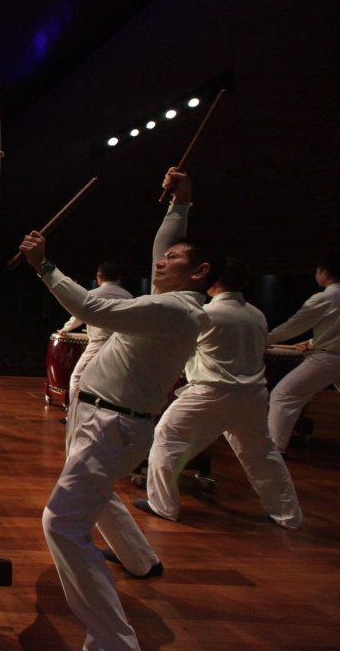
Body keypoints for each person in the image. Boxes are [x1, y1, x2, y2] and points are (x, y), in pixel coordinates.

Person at [18, 167, 222, 651]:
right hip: (105, 418)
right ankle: (139, 560)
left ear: (199, 273)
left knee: (62, 524)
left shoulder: (177, 310)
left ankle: (114, 641)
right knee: (100, 497)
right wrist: (181, 205)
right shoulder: (170, 301)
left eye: (173, 259)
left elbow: (93, 309)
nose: (161, 261)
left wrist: (45, 267)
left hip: (113, 424)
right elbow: (164, 244)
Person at [139, 254, 302, 529]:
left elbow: (180, 347)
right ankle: (288, 515)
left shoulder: (208, 314)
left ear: (213, 280)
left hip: (210, 393)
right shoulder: (257, 315)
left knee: (167, 439)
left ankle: (163, 506)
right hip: (252, 396)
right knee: (262, 455)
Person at [266, 256, 340, 452]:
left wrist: (265, 340)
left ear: (324, 273)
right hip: (331, 355)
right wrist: (312, 342)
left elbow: (294, 325)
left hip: (328, 358)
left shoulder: (326, 297)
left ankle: (274, 451)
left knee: (283, 396)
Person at [57, 261, 134, 423]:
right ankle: (106, 416)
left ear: (99, 277)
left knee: (77, 378)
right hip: (121, 345)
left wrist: (65, 329)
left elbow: (78, 315)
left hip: (98, 344)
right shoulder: (128, 297)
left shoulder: (93, 294)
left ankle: (73, 416)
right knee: (112, 382)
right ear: (119, 277)